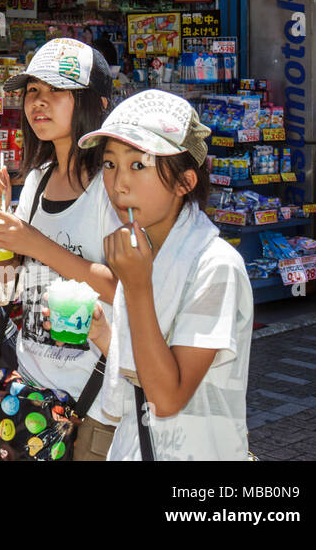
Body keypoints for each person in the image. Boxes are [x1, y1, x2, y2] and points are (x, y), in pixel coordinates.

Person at [79, 90, 252, 460]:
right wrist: (104, 334)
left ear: (184, 182)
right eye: (109, 164)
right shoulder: (144, 250)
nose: (118, 183)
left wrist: (137, 287)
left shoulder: (215, 266)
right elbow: (143, 365)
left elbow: (167, 396)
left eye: (138, 165)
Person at [0, 38, 121, 459]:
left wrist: (32, 240)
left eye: (56, 91)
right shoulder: (36, 180)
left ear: (94, 102)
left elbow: (124, 288)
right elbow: (23, 275)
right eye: (33, 91)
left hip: (94, 396)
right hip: (33, 388)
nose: (39, 102)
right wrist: (1, 229)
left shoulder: (111, 188)